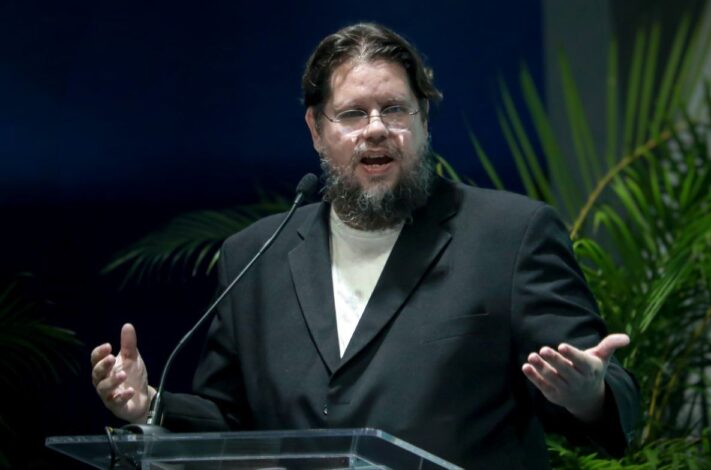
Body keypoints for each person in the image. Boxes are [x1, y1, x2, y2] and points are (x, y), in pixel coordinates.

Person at [91, 23, 640, 468]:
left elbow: (601, 387)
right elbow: (232, 422)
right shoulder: (255, 256)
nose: (376, 129)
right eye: (353, 113)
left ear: (423, 119)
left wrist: (588, 394)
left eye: (395, 109)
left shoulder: (510, 235)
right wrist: (151, 407)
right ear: (316, 129)